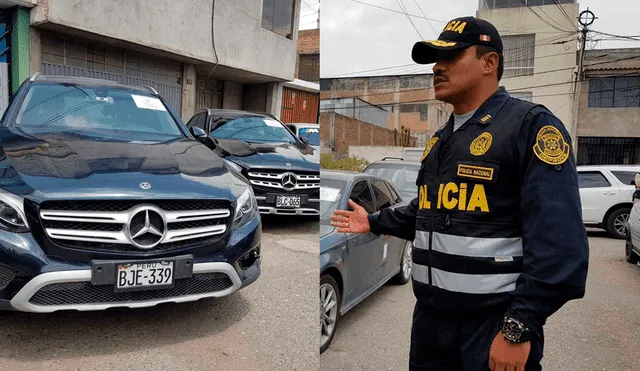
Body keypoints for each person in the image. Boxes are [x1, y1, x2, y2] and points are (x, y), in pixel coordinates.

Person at [330, 16, 589, 371]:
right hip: (431, 326)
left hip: (491, 327)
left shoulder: (530, 126)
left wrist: (519, 328)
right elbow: (429, 211)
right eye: (436, 59)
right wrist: (373, 221)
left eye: (450, 57)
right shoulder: (441, 138)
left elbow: (561, 246)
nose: (437, 67)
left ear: (489, 62)